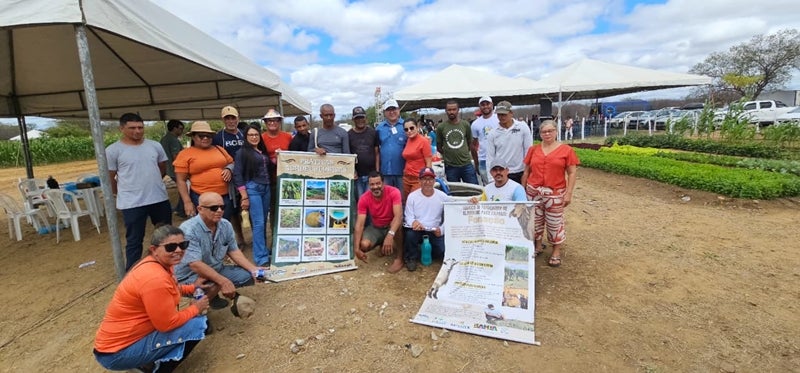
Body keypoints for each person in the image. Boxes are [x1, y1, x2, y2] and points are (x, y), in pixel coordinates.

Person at [93, 225, 210, 373]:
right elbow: (167, 324)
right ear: (154, 250)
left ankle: (144, 362)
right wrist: (196, 308)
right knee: (198, 325)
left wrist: (192, 288)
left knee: (190, 322)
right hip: (116, 354)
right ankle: (156, 369)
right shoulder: (155, 278)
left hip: (115, 346)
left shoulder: (158, 264)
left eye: (183, 245)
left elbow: (169, 290)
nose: (179, 250)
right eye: (171, 247)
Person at [107, 112, 173, 271]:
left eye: (140, 127)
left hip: (158, 198)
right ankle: (133, 271)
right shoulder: (113, 150)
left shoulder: (154, 146)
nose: (137, 131)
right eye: (132, 128)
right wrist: (120, 193)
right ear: (121, 128)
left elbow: (162, 167)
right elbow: (110, 177)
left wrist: (153, 181)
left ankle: (167, 265)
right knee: (134, 239)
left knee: (166, 234)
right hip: (132, 203)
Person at [175, 192, 265, 308]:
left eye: (222, 207)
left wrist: (253, 269)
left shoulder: (225, 225)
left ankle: (211, 295)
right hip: (190, 275)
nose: (219, 210)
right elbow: (195, 264)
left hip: (215, 268)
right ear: (200, 209)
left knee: (247, 276)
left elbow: (233, 250)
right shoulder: (189, 230)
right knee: (214, 283)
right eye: (213, 208)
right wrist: (223, 281)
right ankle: (197, 311)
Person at [521, 120, 580, 268]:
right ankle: (538, 245)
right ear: (540, 134)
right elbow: (527, 171)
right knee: (534, 221)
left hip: (555, 192)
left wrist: (569, 193)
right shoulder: (533, 150)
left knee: (555, 222)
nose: (547, 134)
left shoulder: (566, 150)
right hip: (533, 190)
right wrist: (523, 191)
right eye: (544, 132)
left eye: (550, 131)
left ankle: (556, 251)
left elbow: (572, 173)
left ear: (556, 131)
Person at [173, 121, 235, 221]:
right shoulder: (185, 154)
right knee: (206, 227)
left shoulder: (219, 149)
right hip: (200, 197)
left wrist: (229, 169)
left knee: (224, 224)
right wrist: (187, 202)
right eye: (201, 136)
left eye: (208, 136)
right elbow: (181, 180)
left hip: (224, 196)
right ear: (193, 137)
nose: (205, 138)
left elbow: (232, 163)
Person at [234, 124, 272, 267]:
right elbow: (237, 174)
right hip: (253, 188)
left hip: (266, 187)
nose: (254, 137)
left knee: (263, 222)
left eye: (256, 134)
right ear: (246, 137)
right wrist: (244, 195)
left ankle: (263, 250)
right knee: (258, 223)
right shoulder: (242, 152)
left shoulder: (261, 151)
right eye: (251, 135)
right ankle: (261, 257)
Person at [352, 171, 404, 273]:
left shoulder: (394, 192)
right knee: (364, 245)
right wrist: (356, 249)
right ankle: (383, 245)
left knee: (397, 224)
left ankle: (400, 257)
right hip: (376, 227)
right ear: (369, 185)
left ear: (383, 183)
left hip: (392, 226)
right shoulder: (364, 198)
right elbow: (360, 224)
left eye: (378, 183)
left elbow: (398, 216)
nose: (375, 187)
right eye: (372, 184)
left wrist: (390, 235)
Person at [403, 167, 450, 271]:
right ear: (419, 181)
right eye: (424, 179)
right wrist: (414, 222)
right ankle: (411, 258)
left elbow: (454, 210)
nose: (427, 182)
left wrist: (441, 230)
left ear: (434, 181)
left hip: (434, 230)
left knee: (441, 251)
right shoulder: (412, 196)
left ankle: (426, 250)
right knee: (410, 235)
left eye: (430, 179)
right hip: (418, 229)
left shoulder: (442, 196)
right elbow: (408, 216)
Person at [212, 106, 246, 246]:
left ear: (238, 118)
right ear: (223, 120)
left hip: (246, 176)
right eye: (228, 118)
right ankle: (239, 239)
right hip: (230, 179)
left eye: (233, 118)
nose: (231, 121)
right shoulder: (218, 137)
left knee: (247, 208)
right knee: (232, 211)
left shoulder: (244, 134)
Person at [261, 108, 292, 236]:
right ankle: (275, 237)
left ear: (279, 122)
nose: (272, 123)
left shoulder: (288, 137)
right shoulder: (261, 138)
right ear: (265, 123)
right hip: (270, 179)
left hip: (286, 179)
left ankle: (288, 234)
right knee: (273, 210)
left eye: (275, 120)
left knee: (288, 208)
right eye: (269, 121)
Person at [485, 101, 532, 185]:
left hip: (520, 172)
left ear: (511, 113)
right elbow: (490, 157)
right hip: (502, 172)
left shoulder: (522, 127)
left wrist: (527, 172)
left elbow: (529, 151)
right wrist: (491, 178)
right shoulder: (492, 133)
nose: (501, 117)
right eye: (499, 114)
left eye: (504, 114)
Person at [436, 100, 478, 184]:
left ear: (458, 110)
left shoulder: (465, 124)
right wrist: (449, 154)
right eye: (449, 110)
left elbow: (470, 144)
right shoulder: (441, 127)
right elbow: (439, 147)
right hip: (451, 167)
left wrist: (463, 152)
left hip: (466, 164)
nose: (452, 112)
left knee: (474, 190)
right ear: (446, 111)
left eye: (454, 109)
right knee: (455, 193)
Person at [375, 99, 406, 191]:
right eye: (389, 110)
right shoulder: (379, 128)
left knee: (402, 199)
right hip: (385, 172)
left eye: (394, 109)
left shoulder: (406, 126)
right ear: (384, 112)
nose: (392, 112)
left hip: (402, 171)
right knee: (386, 199)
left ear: (399, 110)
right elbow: (376, 150)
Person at [348, 106, 379, 197]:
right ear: (353, 120)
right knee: (361, 199)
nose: (360, 120)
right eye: (357, 118)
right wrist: (352, 171)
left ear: (366, 118)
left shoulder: (373, 133)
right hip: (357, 175)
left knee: (371, 199)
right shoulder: (349, 135)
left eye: (362, 117)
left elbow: (377, 153)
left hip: (371, 174)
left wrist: (377, 172)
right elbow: (348, 155)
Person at [160, 119, 186, 218]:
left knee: (181, 190)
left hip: (167, 168)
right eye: (180, 129)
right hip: (175, 169)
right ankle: (182, 211)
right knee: (185, 189)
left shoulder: (164, 139)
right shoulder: (173, 140)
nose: (181, 131)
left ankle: (178, 209)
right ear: (174, 128)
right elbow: (176, 156)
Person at [400, 118, 432, 198]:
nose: (409, 131)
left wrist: (427, 179)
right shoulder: (408, 140)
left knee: (416, 201)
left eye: (411, 128)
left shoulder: (423, 141)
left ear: (417, 127)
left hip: (418, 178)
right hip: (406, 177)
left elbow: (428, 162)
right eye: (406, 129)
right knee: (407, 202)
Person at [471, 96, 499, 185]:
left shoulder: (499, 119)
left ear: (492, 105)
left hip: (499, 157)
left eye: (487, 104)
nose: (485, 106)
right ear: (480, 107)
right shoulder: (475, 124)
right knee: (488, 185)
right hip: (483, 160)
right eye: (483, 105)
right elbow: (474, 145)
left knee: (501, 184)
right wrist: (476, 163)